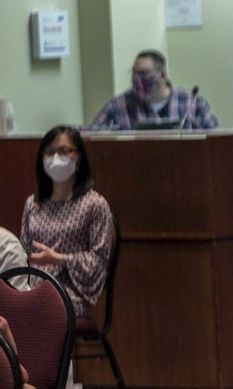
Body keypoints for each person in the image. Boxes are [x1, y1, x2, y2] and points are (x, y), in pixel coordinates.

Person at [20, 126, 114, 317]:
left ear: (78, 158)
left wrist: (59, 259)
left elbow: (98, 262)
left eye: (63, 151)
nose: (56, 157)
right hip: (34, 288)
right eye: (49, 152)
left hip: (71, 291)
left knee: (38, 310)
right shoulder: (33, 203)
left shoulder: (94, 204)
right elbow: (24, 253)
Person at [91, 50, 218, 130]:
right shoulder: (118, 105)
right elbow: (92, 137)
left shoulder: (193, 103)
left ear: (162, 75)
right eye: (134, 73)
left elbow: (214, 141)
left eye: (144, 73)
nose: (137, 79)